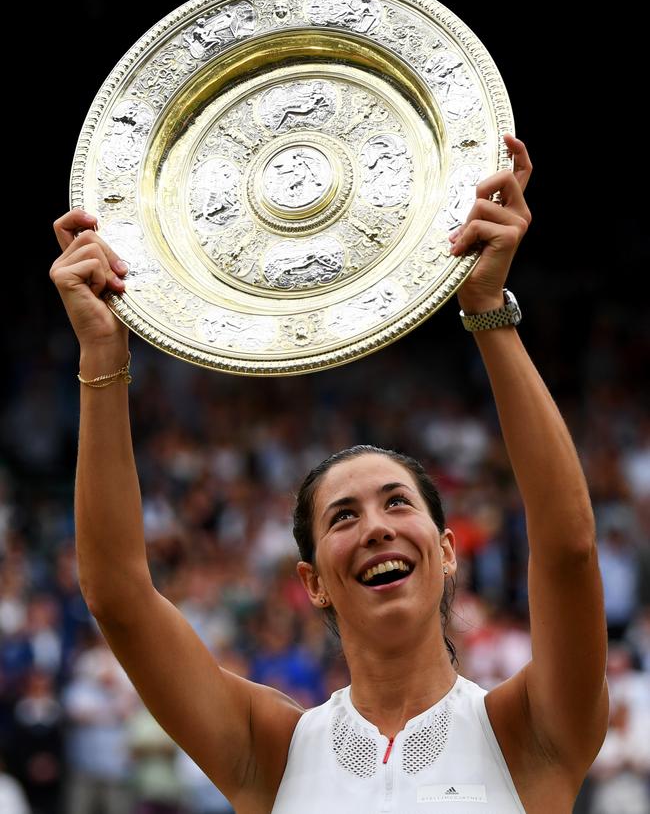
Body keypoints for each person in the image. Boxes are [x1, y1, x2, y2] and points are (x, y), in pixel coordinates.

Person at [50, 135, 608, 812]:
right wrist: (103, 351)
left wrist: (487, 311)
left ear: (447, 547)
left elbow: (569, 547)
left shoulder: (530, 732)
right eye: (343, 516)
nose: (375, 527)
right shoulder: (273, 751)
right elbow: (117, 594)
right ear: (312, 581)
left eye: (398, 504)